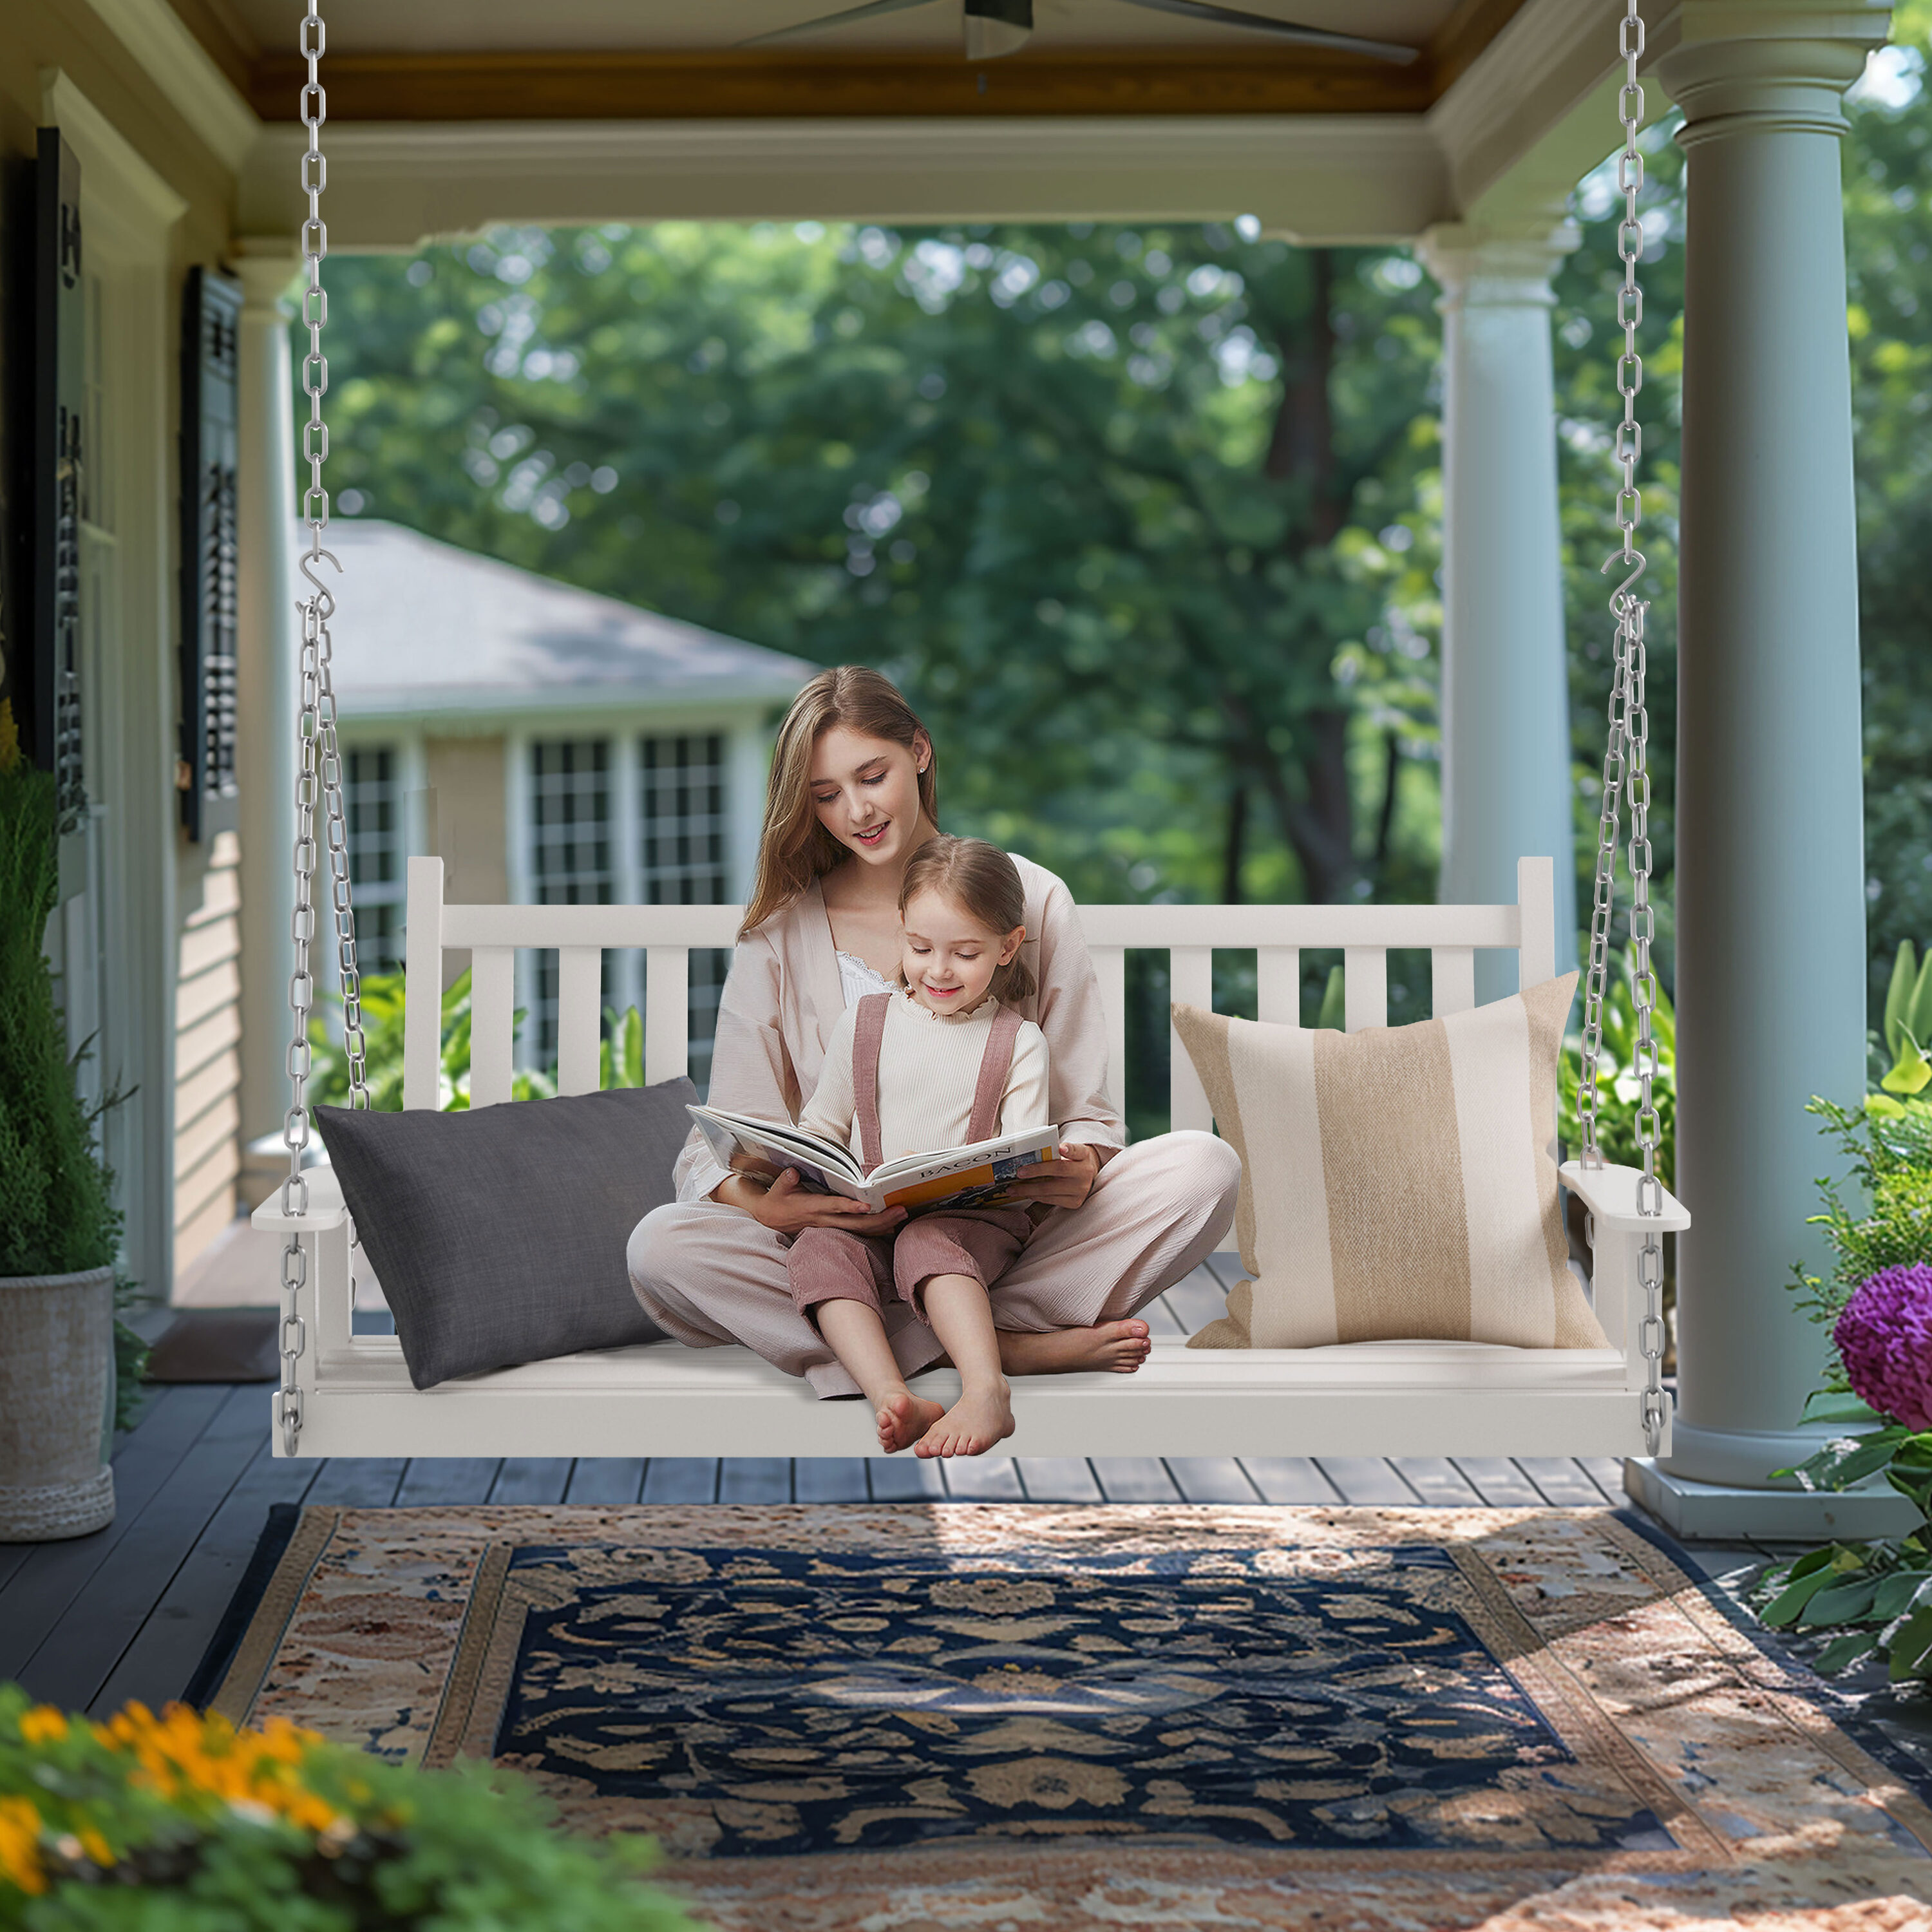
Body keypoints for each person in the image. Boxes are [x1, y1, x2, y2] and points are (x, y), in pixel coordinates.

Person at [627, 664, 1240, 1402]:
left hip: (999, 1242)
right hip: (840, 1245)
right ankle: (999, 1347)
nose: (856, 810)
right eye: (826, 796)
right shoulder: (781, 934)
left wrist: (1077, 1162)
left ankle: (901, 1346)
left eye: (872, 775)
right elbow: (725, 1141)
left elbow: (1088, 1114)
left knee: (1203, 1168)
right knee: (661, 1247)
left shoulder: (1034, 898)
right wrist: (766, 1206)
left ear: (919, 750)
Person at [790, 837, 1050, 1459]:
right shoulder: (866, 1023)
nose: (939, 970)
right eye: (921, 948)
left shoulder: (1018, 1041)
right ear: (900, 928)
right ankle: (892, 1396)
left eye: (965, 954)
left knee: (924, 1240)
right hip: (871, 1221)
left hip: (969, 1228)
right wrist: (802, 1163)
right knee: (818, 1250)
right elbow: (822, 1124)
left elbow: (1023, 1153)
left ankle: (987, 1388)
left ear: (1007, 947)